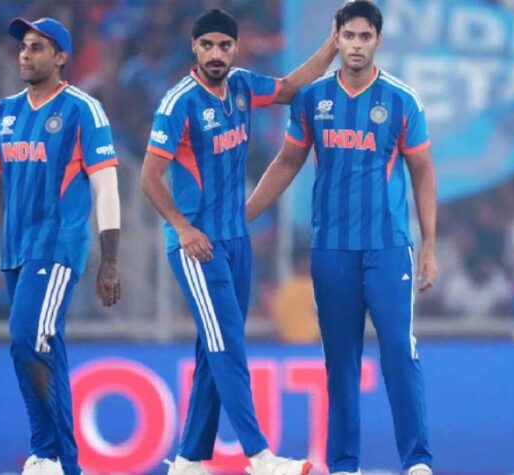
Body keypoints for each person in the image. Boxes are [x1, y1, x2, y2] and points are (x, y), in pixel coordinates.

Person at [139, 9, 336, 475]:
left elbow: (291, 87)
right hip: (198, 246)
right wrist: (183, 229)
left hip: (236, 240)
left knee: (215, 348)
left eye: (224, 45)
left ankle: (188, 461)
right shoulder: (179, 102)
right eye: (207, 45)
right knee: (227, 344)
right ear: (194, 47)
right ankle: (259, 457)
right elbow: (149, 177)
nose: (216, 53)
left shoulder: (243, 86)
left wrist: (332, 43)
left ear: (235, 48)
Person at [246, 1, 437, 473]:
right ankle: (344, 464)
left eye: (364, 36)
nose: (355, 45)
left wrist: (429, 245)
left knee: (399, 350)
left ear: (378, 41)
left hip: (388, 247)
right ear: (336, 38)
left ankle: (417, 461)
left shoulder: (401, 100)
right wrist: (243, 215)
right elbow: (287, 162)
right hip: (331, 248)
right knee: (340, 361)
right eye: (348, 36)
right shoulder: (313, 98)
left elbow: (422, 172)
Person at [0, 17, 121, 475]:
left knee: (25, 339)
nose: (25, 54)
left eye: (37, 47)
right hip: (15, 251)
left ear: (60, 58)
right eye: (23, 47)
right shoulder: (7, 112)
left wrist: (110, 260)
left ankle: (45, 453)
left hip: (57, 248)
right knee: (45, 349)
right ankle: (67, 465)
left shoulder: (83, 109)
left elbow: (106, 186)